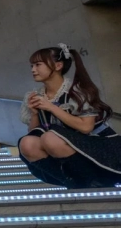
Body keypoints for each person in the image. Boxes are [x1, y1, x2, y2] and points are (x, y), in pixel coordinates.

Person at [18, 43, 121, 188]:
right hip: (63, 149)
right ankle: (72, 182)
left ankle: (93, 181)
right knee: (27, 143)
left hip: (98, 147)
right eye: (32, 66)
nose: (33, 70)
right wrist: (35, 114)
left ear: (58, 66)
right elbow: (34, 134)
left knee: (50, 138)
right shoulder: (34, 95)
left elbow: (86, 127)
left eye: (38, 65)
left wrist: (51, 107)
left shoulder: (78, 91)